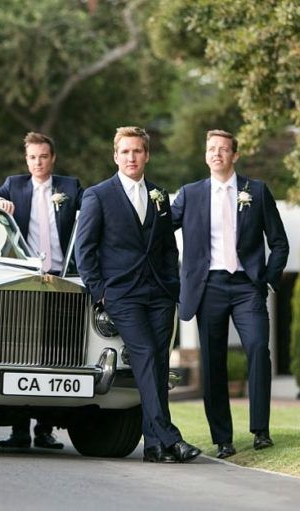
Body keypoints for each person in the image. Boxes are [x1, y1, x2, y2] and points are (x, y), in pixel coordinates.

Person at [75, 126, 201, 463]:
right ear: (116, 156)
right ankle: (170, 437)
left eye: (137, 151)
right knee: (144, 354)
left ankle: (154, 446)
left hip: (159, 293)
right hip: (121, 294)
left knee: (158, 363)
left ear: (146, 155)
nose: (131, 157)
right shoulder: (98, 195)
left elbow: (167, 247)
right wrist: (100, 291)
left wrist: (171, 285)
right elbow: (85, 249)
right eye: (125, 151)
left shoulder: (159, 195)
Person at [171, 130, 288, 458]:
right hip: (208, 288)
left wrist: (268, 280)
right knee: (213, 362)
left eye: (223, 149)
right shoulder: (190, 194)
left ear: (235, 155)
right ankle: (223, 439)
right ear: (205, 155)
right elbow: (160, 231)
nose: (216, 154)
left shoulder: (256, 191)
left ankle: (261, 430)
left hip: (247, 286)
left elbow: (279, 242)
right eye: (211, 148)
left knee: (258, 349)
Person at [0, 131, 83, 449]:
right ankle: (18, 430)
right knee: (19, 352)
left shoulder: (70, 188)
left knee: (55, 355)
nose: (38, 162)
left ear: (53, 158)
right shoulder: (14, 185)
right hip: (24, 279)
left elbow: (93, 207)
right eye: (33, 157)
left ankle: (45, 430)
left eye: (43, 157)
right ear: (26, 160)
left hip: (61, 279)